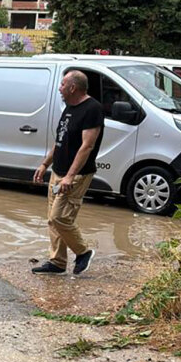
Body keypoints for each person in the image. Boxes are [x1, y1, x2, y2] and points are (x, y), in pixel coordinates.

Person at [32, 70, 104, 276]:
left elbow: (87, 146)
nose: (59, 89)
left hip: (76, 174)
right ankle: (57, 262)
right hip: (58, 171)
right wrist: (45, 164)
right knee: (51, 219)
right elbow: (60, 141)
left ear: (73, 87)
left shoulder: (92, 109)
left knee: (60, 218)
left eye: (63, 85)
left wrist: (71, 175)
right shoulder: (69, 108)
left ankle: (83, 252)